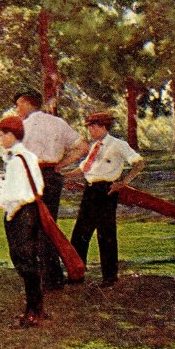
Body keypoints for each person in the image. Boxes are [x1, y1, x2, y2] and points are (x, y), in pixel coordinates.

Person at [13, 87, 89, 290]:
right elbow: (83, 147)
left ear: (28, 103)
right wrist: (61, 164)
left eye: (19, 104)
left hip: (32, 175)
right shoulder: (58, 123)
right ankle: (52, 275)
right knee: (49, 224)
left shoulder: (22, 126)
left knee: (32, 226)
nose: (17, 109)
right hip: (52, 176)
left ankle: (45, 276)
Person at [64, 112, 145, 288]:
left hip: (106, 191)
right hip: (90, 191)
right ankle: (76, 274)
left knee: (106, 234)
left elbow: (139, 163)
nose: (90, 130)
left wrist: (123, 183)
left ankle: (110, 276)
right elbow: (83, 169)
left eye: (92, 127)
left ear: (102, 127)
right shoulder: (95, 147)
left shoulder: (118, 145)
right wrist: (63, 176)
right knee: (80, 234)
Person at [0, 116, 49, 327]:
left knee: (24, 262)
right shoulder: (28, 156)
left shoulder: (17, 161)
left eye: (2, 134)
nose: (0, 139)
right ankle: (35, 307)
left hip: (20, 213)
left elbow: (15, 195)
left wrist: (9, 215)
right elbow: (39, 185)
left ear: (11, 135)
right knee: (29, 262)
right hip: (31, 211)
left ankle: (33, 311)